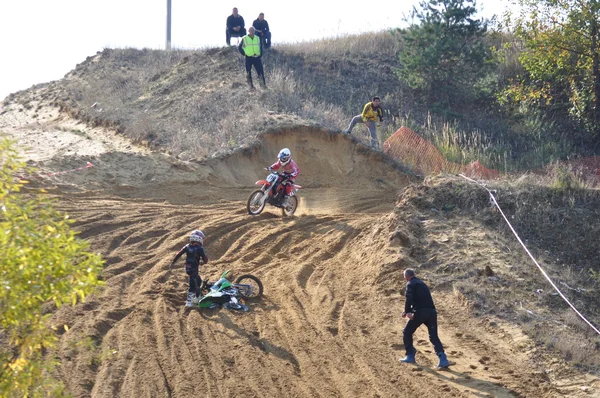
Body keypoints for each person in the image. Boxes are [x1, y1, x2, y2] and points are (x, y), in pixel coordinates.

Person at [399, 268, 450, 368]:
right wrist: (407, 311)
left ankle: (410, 355)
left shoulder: (410, 284)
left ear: (407, 277)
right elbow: (420, 299)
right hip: (431, 312)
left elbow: (409, 298)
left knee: (407, 332)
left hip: (420, 312)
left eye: (404, 277)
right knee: (433, 336)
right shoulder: (422, 283)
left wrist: (409, 311)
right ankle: (443, 358)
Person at [172, 230, 209, 307]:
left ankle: (197, 295)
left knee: (198, 281)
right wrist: (204, 261)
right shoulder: (199, 248)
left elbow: (179, 254)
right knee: (193, 285)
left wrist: (173, 262)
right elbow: (205, 259)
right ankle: (190, 301)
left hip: (187, 268)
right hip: (194, 269)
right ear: (199, 239)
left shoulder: (187, 246)